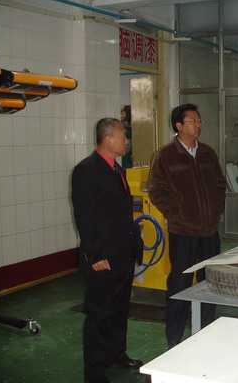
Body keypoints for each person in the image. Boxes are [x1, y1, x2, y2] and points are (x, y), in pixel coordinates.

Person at [148, 103, 226, 348]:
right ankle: (174, 338)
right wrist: (177, 214)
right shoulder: (165, 155)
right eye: (193, 121)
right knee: (180, 285)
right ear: (179, 125)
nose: (198, 124)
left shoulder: (207, 153)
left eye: (199, 120)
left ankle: (207, 332)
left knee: (210, 282)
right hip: (183, 233)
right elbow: (156, 191)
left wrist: (216, 212)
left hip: (209, 232)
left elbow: (220, 184)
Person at [72, 118, 144, 383]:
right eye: (123, 136)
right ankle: (94, 371)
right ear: (108, 138)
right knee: (99, 313)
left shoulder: (117, 169)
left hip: (123, 253)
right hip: (102, 257)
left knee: (119, 309)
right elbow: (85, 217)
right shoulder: (86, 170)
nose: (127, 141)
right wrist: (95, 255)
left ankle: (117, 354)